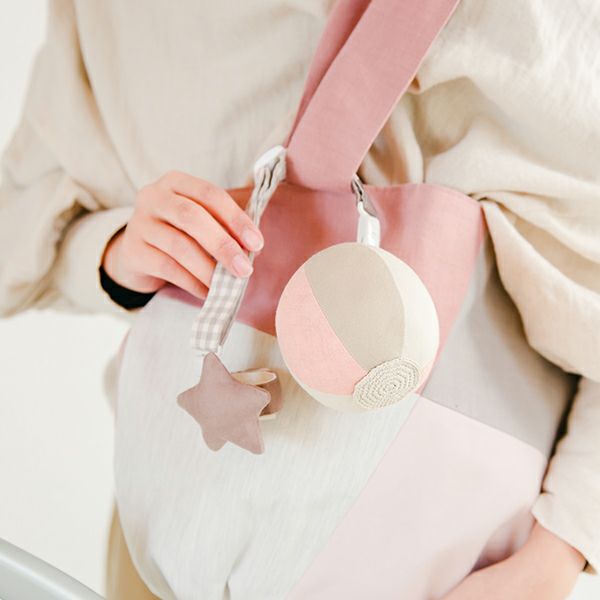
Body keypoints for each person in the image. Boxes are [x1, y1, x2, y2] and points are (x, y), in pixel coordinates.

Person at [1, 0, 598, 598]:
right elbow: (22, 226)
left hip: (459, 576)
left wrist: (556, 555)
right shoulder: (115, 16)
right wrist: (117, 254)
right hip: (179, 528)